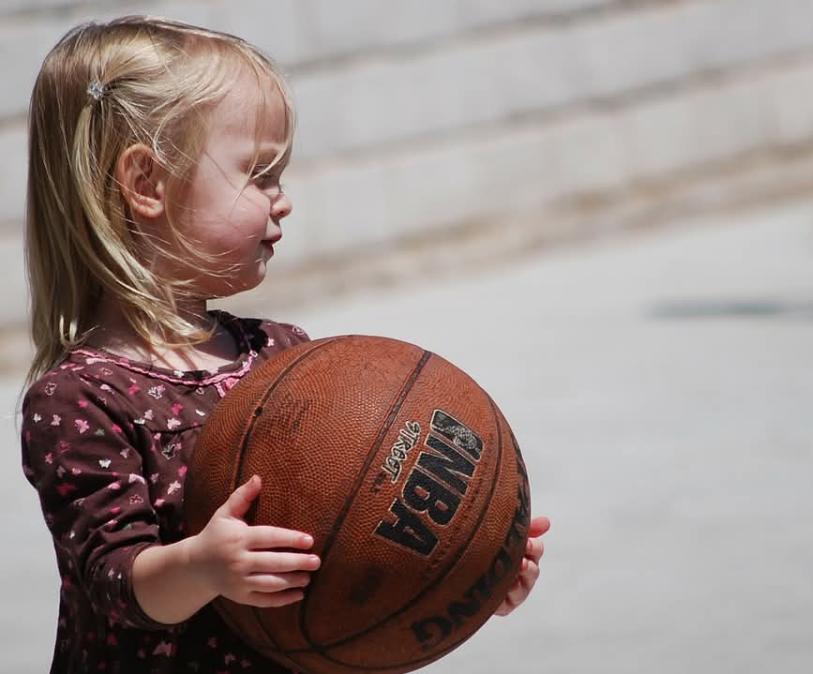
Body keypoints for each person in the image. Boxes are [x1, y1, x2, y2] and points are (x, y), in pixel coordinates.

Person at [18, 16, 550, 673]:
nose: (283, 200)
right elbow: (112, 580)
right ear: (147, 185)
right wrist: (203, 564)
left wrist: (464, 566)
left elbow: (350, 541)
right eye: (259, 174)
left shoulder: (282, 357)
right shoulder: (80, 397)